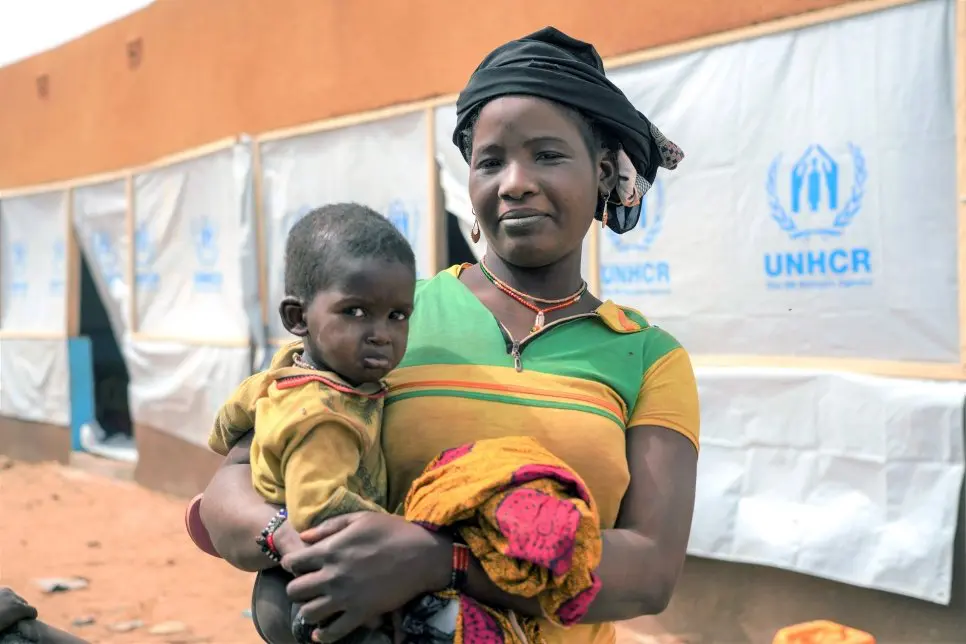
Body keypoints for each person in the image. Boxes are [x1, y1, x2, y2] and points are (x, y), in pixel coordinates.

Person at [198, 26, 699, 644]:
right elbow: (232, 483)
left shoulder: (648, 358)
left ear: (600, 173)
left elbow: (649, 573)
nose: (514, 181)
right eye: (491, 161)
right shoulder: (385, 316)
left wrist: (440, 562)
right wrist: (294, 538)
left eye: (546, 155)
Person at [207, 203, 416, 642]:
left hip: (291, 579)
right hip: (318, 590)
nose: (382, 332)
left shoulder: (285, 370)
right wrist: (408, 537)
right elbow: (318, 510)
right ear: (297, 317)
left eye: (398, 315)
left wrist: (236, 441)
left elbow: (229, 420)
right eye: (356, 312)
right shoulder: (326, 417)